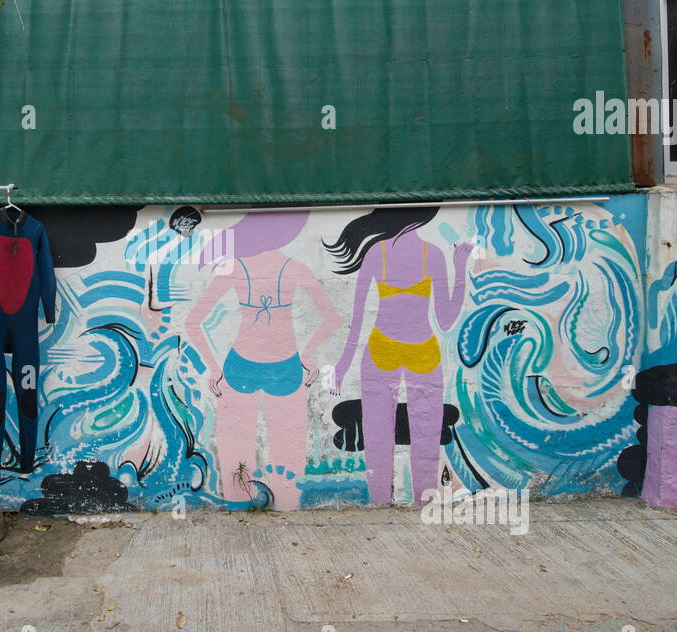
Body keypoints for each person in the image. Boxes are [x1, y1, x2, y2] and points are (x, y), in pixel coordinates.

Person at [186, 211, 341, 510]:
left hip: (238, 365)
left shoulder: (235, 268)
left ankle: (237, 505)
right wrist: (307, 357)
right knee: (289, 451)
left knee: (235, 446)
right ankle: (286, 508)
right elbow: (331, 319)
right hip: (286, 365)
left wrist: (214, 368)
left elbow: (194, 322)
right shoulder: (295, 268)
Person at [326, 208, 471, 505]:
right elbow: (445, 320)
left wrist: (342, 366)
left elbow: (356, 321)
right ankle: (424, 502)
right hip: (422, 348)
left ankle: (381, 502)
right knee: (426, 435)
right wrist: (461, 269)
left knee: (378, 437)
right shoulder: (432, 254)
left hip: (381, 348)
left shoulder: (375, 254)